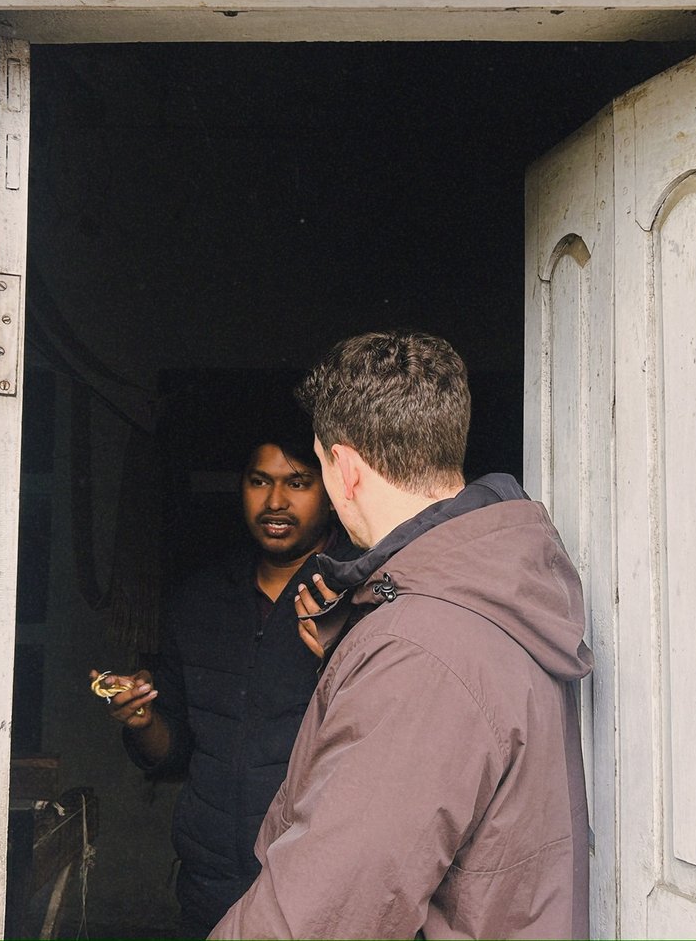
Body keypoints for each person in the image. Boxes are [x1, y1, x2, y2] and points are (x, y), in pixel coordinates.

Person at [211, 331, 593, 940]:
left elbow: (318, 919)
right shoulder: (481, 588)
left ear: (346, 469)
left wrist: (385, 652)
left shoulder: (421, 654)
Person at [94, 434, 358, 937]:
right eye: (259, 481)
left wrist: (341, 650)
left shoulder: (358, 595)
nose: (275, 501)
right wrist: (143, 720)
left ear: (329, 493)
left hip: (321, 889)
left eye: (297, 483)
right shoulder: (201, 599)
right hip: (210, 885)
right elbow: (173, 751)